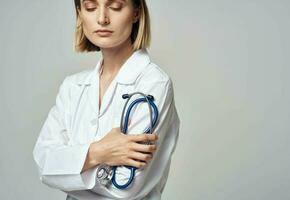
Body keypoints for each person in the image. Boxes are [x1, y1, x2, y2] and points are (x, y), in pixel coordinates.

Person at [32, 0, 180, 199]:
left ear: (136, 13)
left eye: (116, 6)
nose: (102, 18)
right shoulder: (72, 87)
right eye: (91, 7)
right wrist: (98, 152)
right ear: (80, 13)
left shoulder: (154, 84)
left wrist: (69, 167)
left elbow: (125, 187)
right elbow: (44, 165)